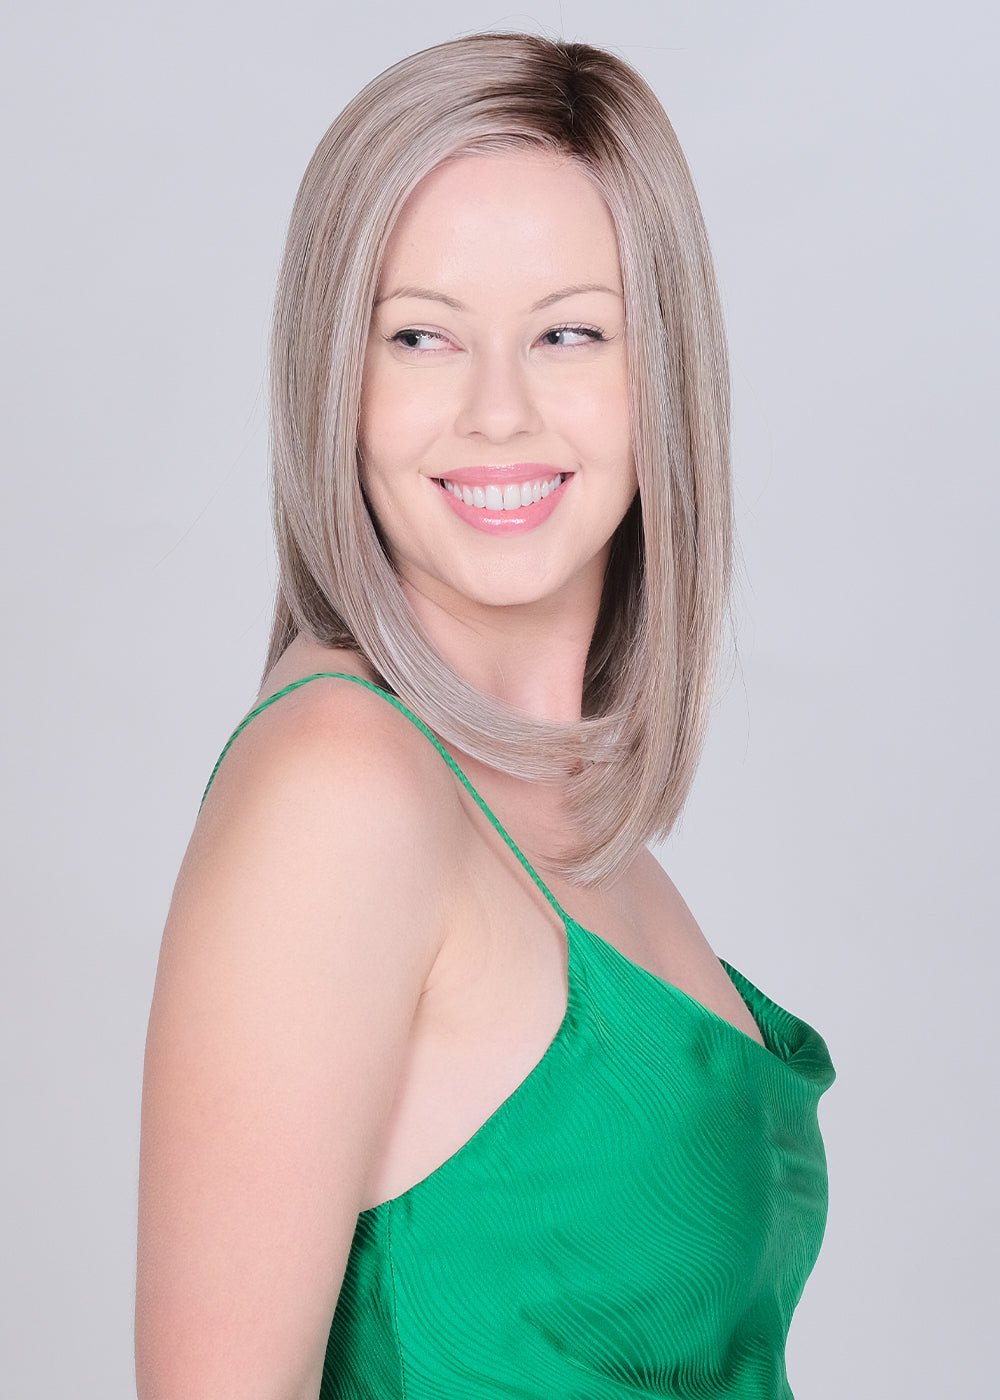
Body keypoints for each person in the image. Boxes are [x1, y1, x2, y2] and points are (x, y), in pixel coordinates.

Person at [135, 30, 836, 1400]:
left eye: (569, 332)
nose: (497, 412)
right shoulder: (342, 787)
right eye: (421, 336)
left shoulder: (565, 816)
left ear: (661, 375)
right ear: (337, 381)